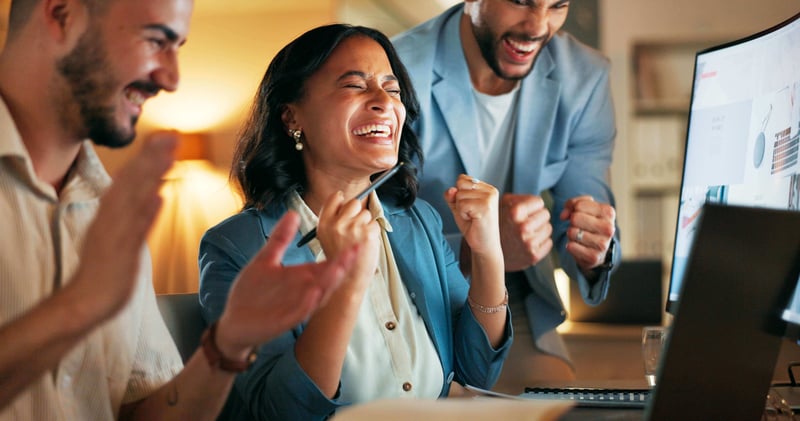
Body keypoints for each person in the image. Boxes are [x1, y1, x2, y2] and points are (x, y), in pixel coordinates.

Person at [0, 0, 356, 419]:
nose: (170, 78)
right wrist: (78, 306)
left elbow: (146, 412)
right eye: (155, 40)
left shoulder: (112, 211)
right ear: (62, 14)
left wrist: (227, 346)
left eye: (177, 47)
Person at [198, 23, 512, 420]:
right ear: (292, 116)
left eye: (393, 89)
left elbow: (477, 371)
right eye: (355, 85)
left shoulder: (420, 222)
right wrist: (343, 283)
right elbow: (279, 412)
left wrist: (487, 253)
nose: (384, 102)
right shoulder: (237, 247)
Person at [392, 0, 621, 393]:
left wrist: (593, 248)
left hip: (515, 295)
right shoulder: (398, 68)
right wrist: (477, 250)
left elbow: (588, 218)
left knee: (556, 408)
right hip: (407, 294)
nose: (537, 27)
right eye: (521, 2)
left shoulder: (585, 76)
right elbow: (376, 226)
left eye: (557, 6)